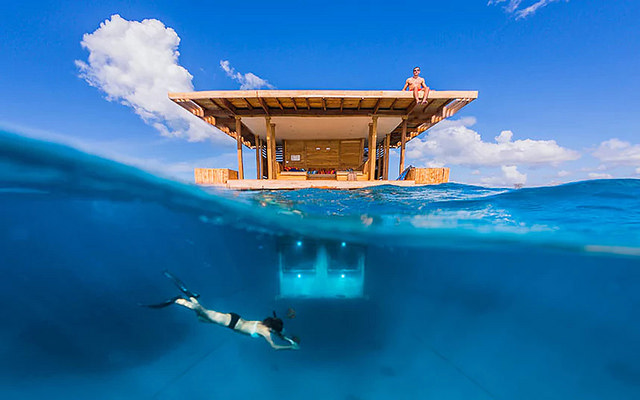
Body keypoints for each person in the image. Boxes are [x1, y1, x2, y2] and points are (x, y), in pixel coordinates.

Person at [142, 271, 300, 351]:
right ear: (272, 328)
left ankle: (186, 300)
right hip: (229, 322)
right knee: (202, 311)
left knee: (201, 318)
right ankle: (185, 297)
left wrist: (289, 340)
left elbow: (279, 333)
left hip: (234, 319)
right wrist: (289, 347)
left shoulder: (266, 324)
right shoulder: (266, 332)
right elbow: (274, 347)